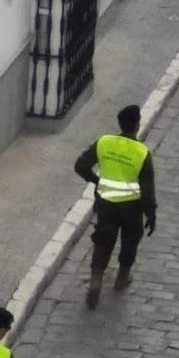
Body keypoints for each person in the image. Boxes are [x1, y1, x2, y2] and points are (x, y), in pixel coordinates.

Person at [74, 104, 157, 309]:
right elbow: (147, 189)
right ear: (137, 125)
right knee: (130, 240)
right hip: (132, 208)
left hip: (106, 203)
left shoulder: (104, 142)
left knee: (103, 240)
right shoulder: (142, 152)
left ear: (119, 124)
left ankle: (96, 280)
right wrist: (151, 213)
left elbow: (80, 166)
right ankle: (122, 277)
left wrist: (97, 181)